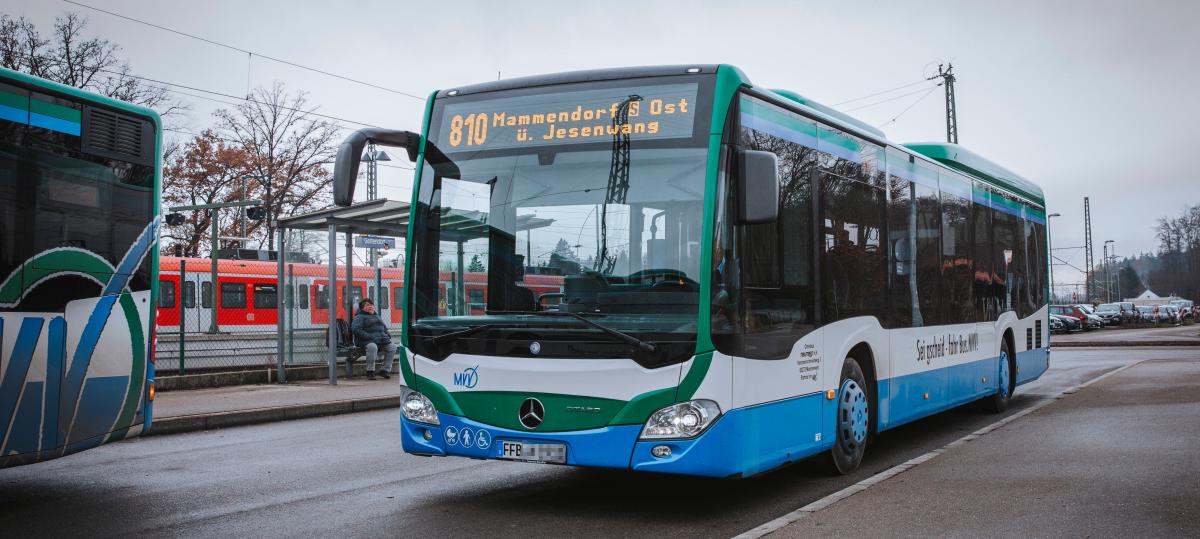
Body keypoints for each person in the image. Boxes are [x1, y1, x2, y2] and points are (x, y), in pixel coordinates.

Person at [351, 299, 395, 380]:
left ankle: (384, 370)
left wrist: (387, 335)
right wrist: (370, 336)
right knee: (372, 347)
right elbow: (356, 330)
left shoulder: (376, 316)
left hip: (381, 340)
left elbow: (384, 328)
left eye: (371, 305)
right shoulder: (359, 317)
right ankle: (370, 371)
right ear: (362, 308)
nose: (370, 306)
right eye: (367, 305)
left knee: (392, 347)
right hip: (365, 341)